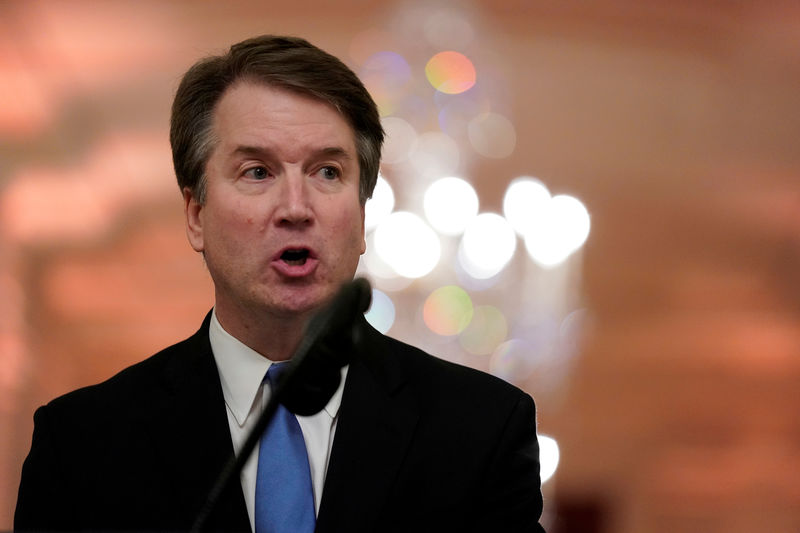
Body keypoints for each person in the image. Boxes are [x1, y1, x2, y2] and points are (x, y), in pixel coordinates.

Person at [15, 35, 546, 532]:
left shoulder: (481, 430)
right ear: (196, 215)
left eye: (328, 173)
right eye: (257, 172)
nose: (296, 208)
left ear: (362, 220)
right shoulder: (83, 444)